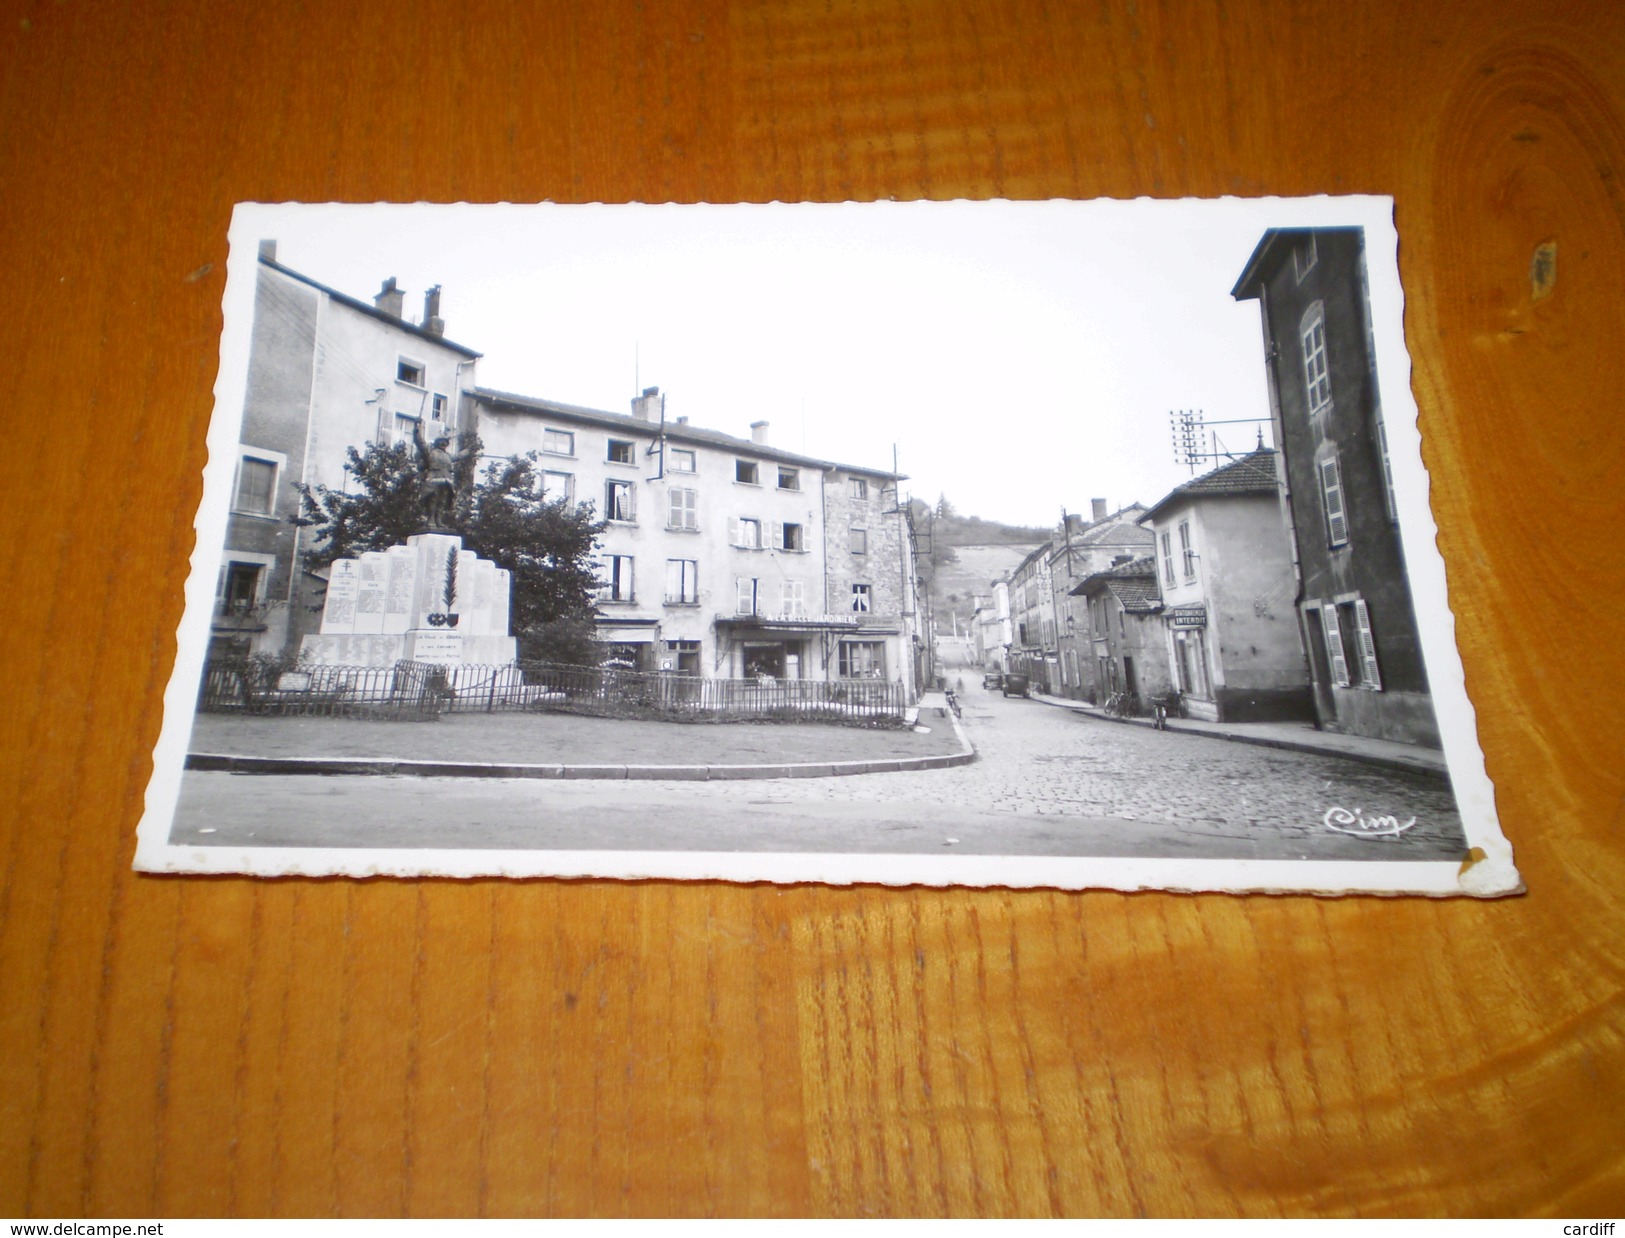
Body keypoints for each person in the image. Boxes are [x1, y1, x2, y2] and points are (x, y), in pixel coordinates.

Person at [412, 420, 474, 530]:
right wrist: (416, 430)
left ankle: (438, 519)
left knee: (442, 501)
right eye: (441, 441)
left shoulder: (448, 456)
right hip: (433, 479)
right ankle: (431, 519)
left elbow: (458, 456)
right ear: (437, 443)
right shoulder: (430, 452)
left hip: (446, 481)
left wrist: (469, 450)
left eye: (445, 442)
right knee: (433, 500)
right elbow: (420, 443)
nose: (443, 443)